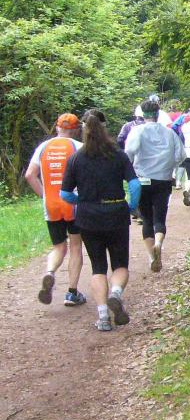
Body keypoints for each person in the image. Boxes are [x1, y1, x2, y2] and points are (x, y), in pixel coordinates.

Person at [60, 110, 140, 331]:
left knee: (98, 267)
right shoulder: (118, 154)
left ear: (83, 129)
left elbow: (65, 194)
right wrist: (131, 206)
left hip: (88, 217)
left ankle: (103, 316)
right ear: (105, 128)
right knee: (120, 264)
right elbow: (135, 185)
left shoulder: (76, 158)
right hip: (116, 213)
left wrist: (81, 201)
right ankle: (116, 293)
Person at [24, 113, 87, 307]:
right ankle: (72, 293)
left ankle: (50, 272)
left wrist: (44, 196)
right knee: (75, 247)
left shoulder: (43, 147)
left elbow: (29, 175)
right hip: (73, 204)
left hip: (51, 204)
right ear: (76, 130)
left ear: (57, 127)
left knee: (59, 247)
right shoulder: (79, 147)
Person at [125, 97, 186, 273]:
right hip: (163, 180)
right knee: (160, 217)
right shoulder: (169, 133)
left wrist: (131, 169)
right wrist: (169, 166)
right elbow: (181, 155)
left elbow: (128, 152)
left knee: (146, 219)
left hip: (143, 179)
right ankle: (159, 242)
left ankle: (152, 257)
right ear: (158, 114)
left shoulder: (137, 131)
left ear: (142, 115)